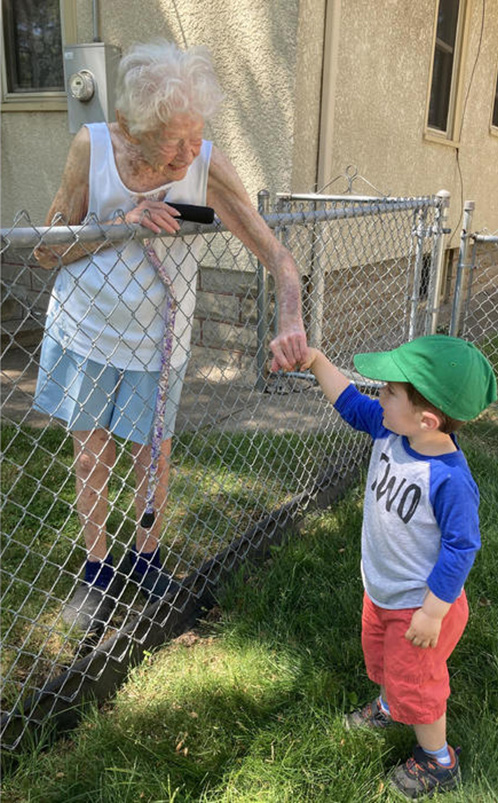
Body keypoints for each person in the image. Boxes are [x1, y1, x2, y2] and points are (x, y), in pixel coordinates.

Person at [33, 40, 307, 633]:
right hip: (87, 326)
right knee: (92, 452)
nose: (189, 154)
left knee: (152, 450)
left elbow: (278, 256)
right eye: (174, 141)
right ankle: (97, 568)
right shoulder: (95, 148)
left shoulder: (206, 163)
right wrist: (117, 227)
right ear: (134, 127)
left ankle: (147, 557)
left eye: (196, 136)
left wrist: (290, 318)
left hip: (159, 340)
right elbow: (47, 249)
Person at [300, 335, 497, 799]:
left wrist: (432, 613)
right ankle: (391, 703)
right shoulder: (393, 428)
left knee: (420, 685)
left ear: (427, 419)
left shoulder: (449, 480)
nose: (379, 396)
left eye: (389, 391)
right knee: (386, 660)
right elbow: (349, 403)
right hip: (383, 590)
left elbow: (460, 548)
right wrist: (314, 360)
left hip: (420, 606)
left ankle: (438, 759)